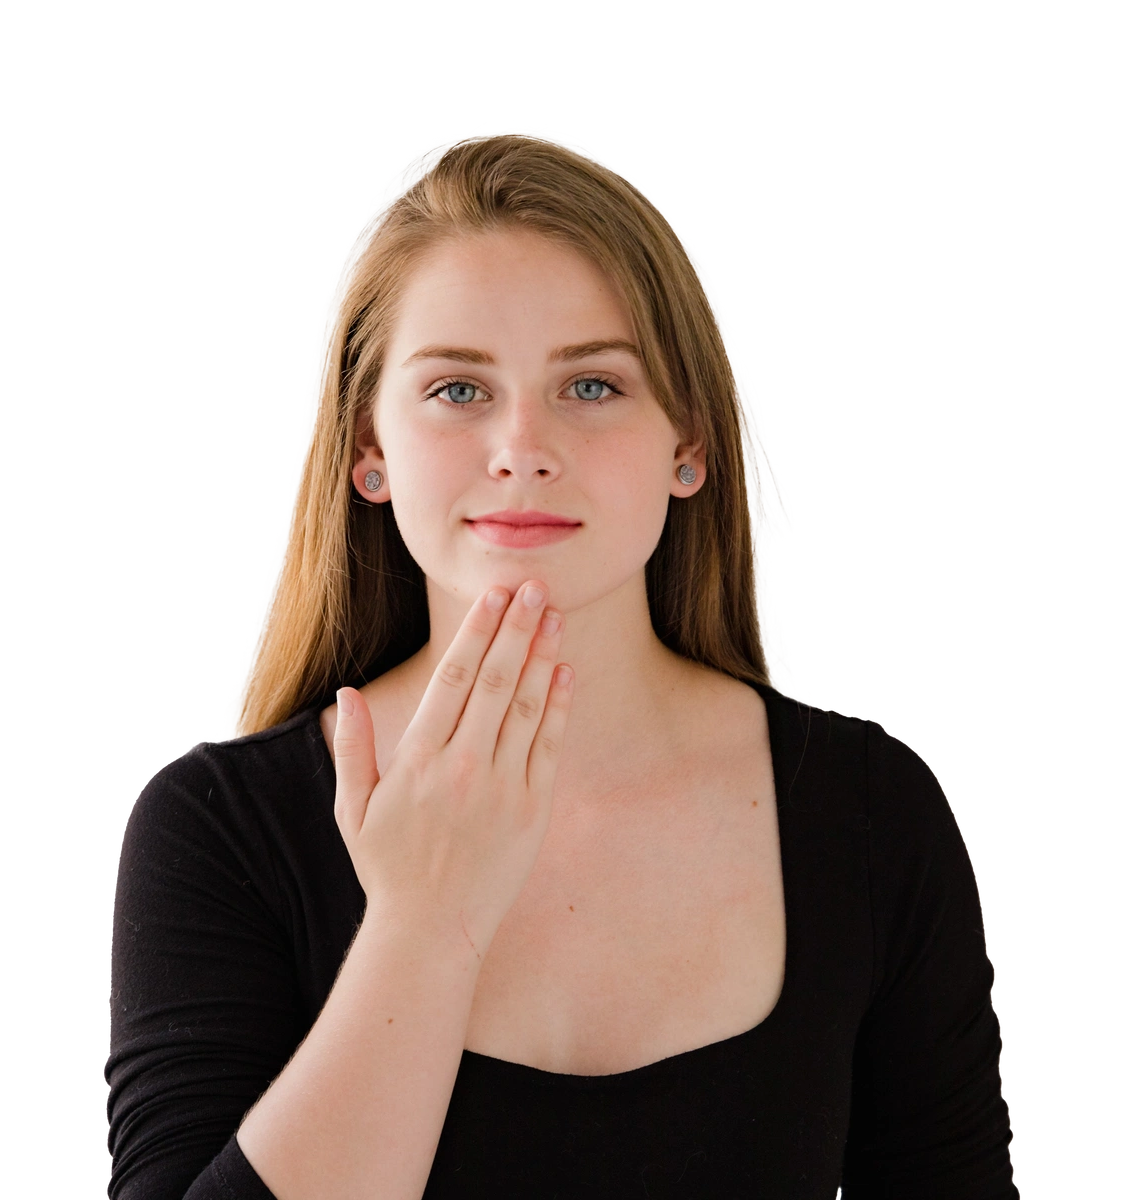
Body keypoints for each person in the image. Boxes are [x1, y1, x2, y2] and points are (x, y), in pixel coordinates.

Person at [105, 128, 1017, 1199]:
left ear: (691, 443)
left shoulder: (871, 813)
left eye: (592, 386)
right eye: (456, 389)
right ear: (369, 451)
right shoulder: (219, 829)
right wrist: (423, 930)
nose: (522, 445)